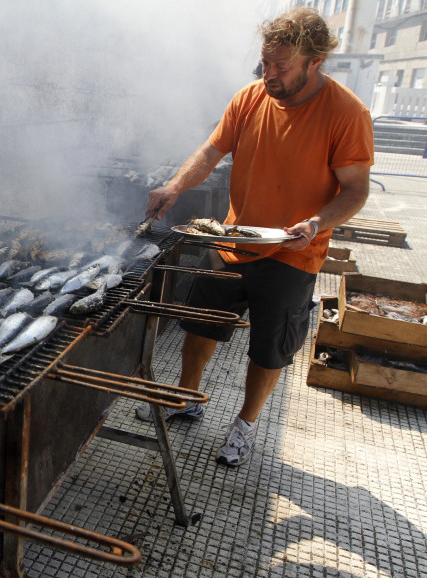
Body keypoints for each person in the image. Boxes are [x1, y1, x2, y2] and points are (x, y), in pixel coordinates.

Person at [136, 8, 374, 466]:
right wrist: (174, 186)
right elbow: (212, 149)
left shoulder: (347, 113)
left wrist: (315, 225)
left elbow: (356, 191)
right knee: (201, 324)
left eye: (281, 66)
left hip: (293, 253)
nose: (269, 74)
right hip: (234, 241)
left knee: (269, 347)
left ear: (315, 60)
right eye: (265, 62)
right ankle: (185, 397)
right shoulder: (249, 98)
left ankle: (244, 425)